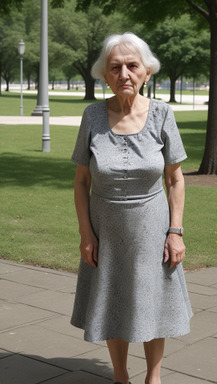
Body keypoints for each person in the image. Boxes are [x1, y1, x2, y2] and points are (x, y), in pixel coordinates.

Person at [70, 32, 192, 384]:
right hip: (104, 229)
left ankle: (154, 377)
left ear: (146, 73)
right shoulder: (92, 116)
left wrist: (175, 231)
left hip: (153, 229)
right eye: (115, 67)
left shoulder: (162, 114)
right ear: (105, 75)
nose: (124, 73)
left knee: (153, 301)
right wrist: (86, 233)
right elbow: (80, 181)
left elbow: (175, 179)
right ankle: (120, 376)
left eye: (132, 66)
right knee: (111, 300)